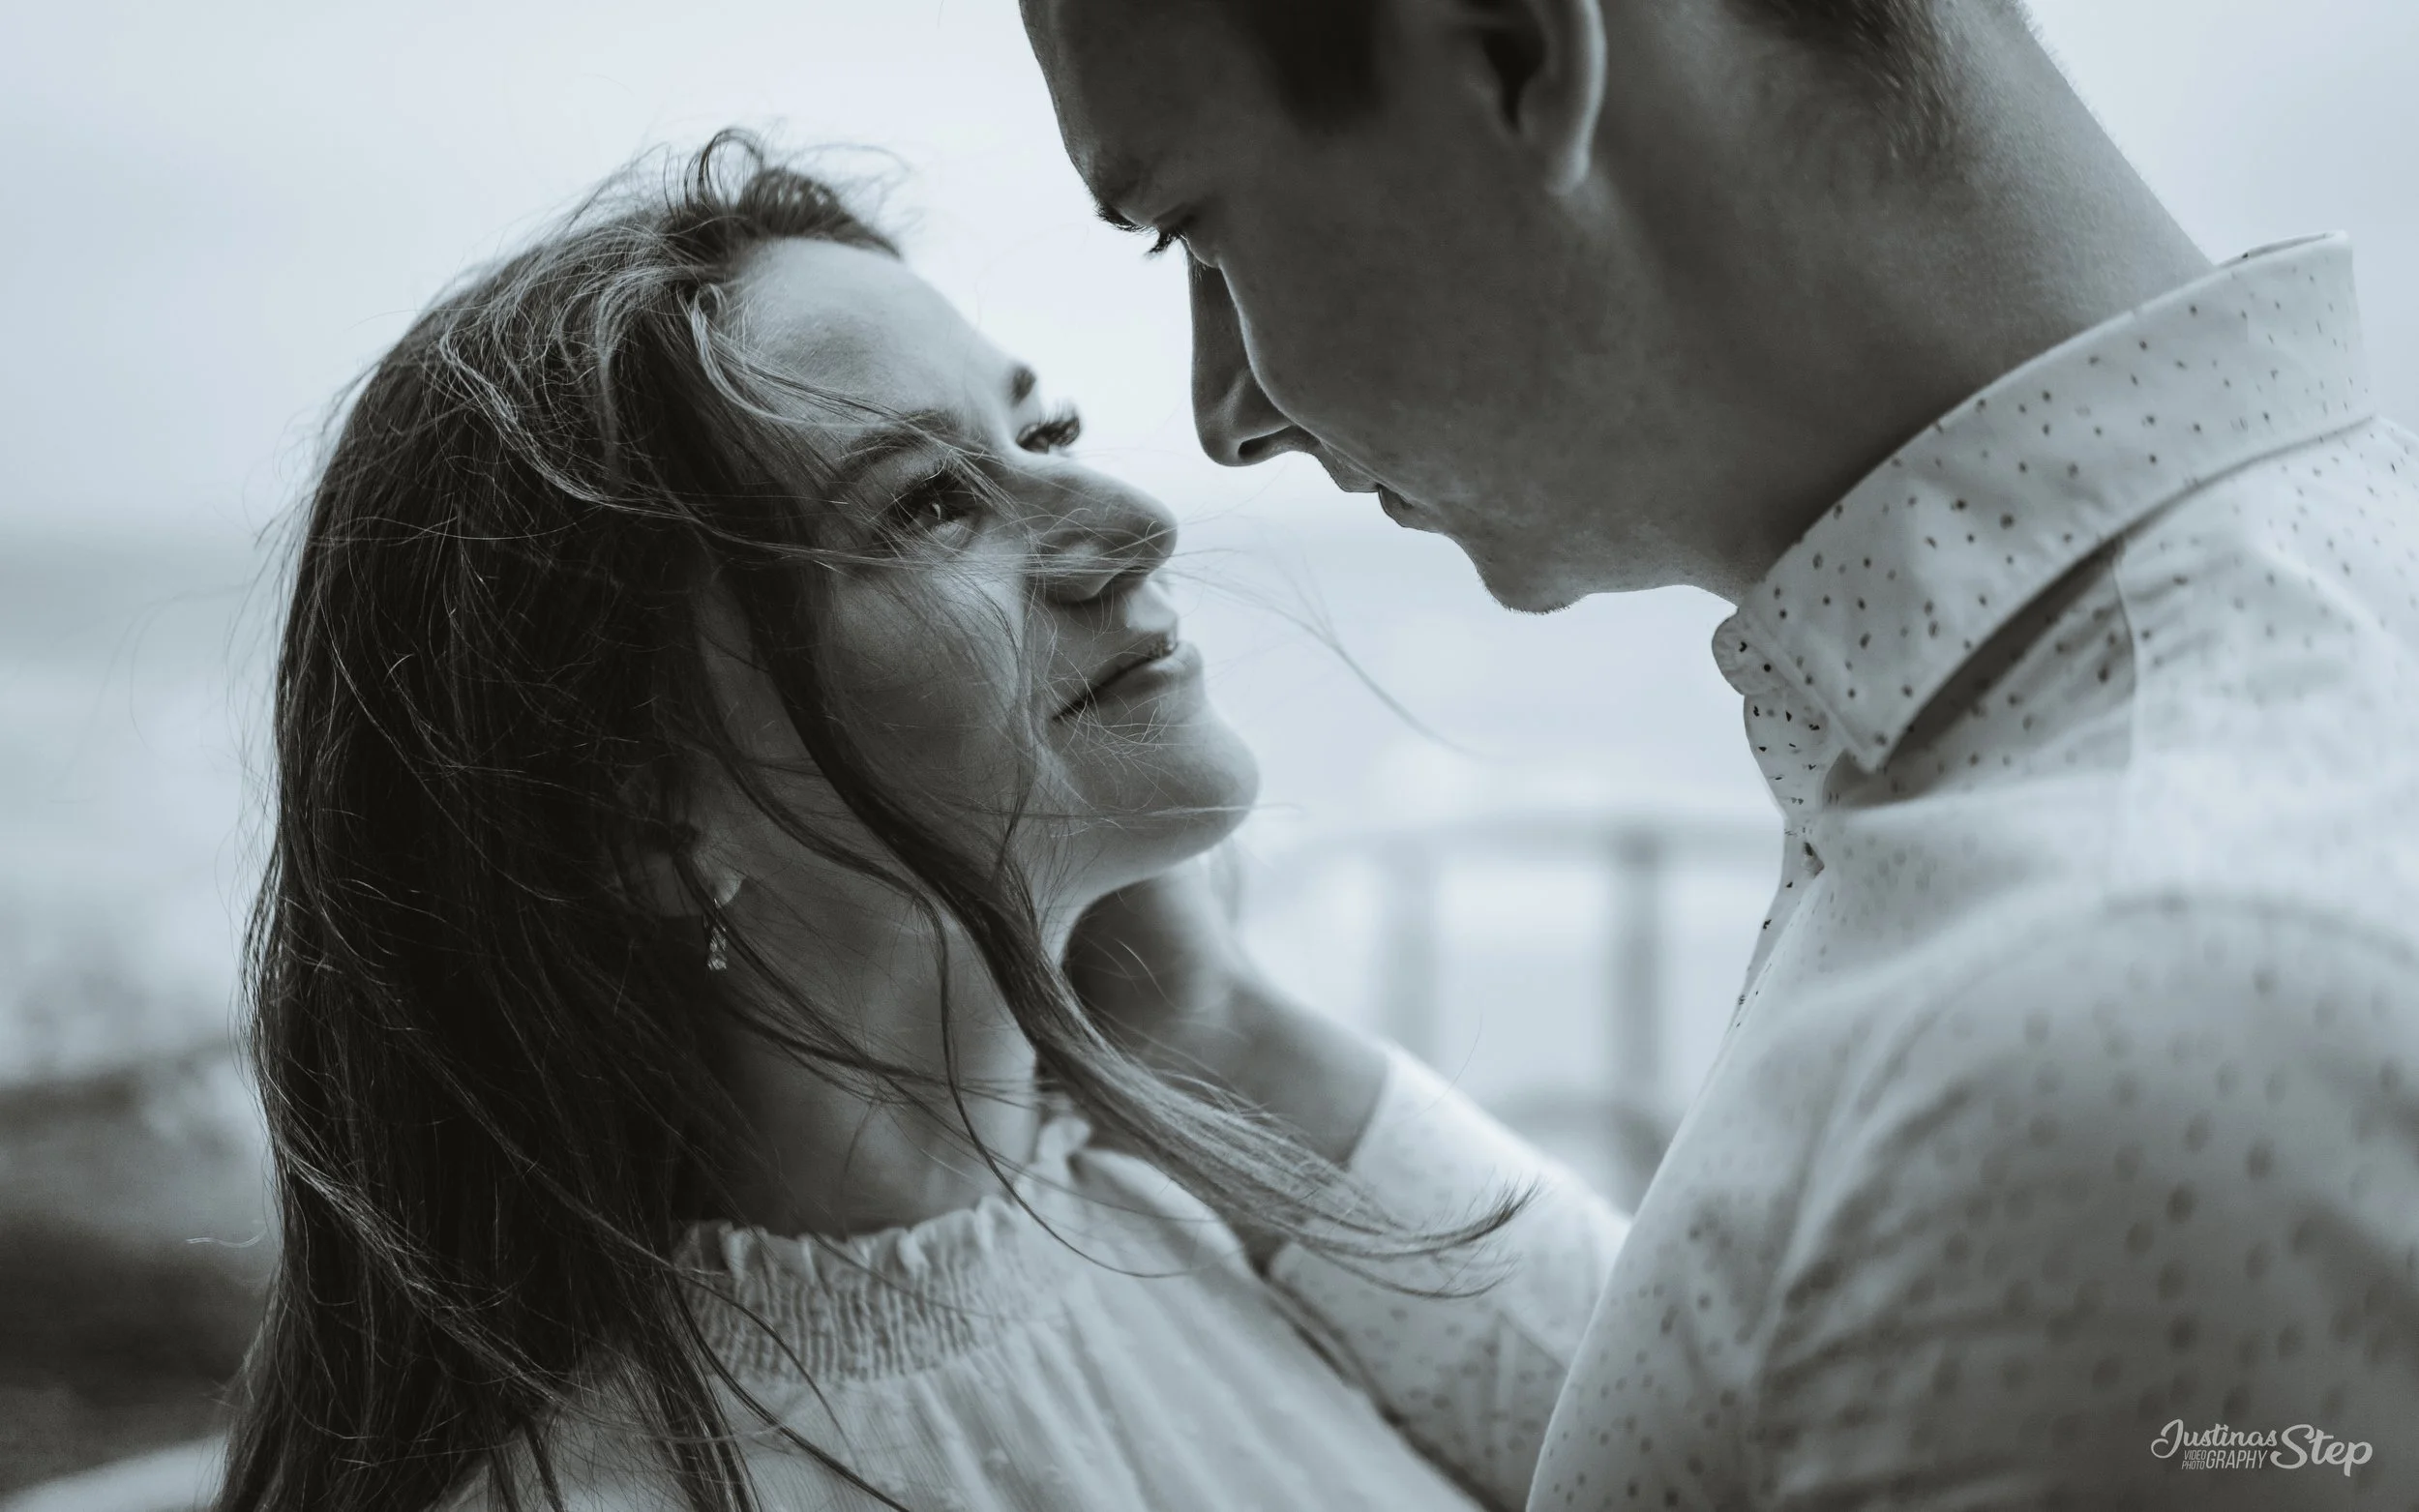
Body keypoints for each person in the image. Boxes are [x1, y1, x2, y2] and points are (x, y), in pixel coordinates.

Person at [1021, 0, 2419, 1505]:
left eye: (1197, 232)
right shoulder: (2238, 652)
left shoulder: (2116, 1022)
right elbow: (1801, 1399)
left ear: (1516, 53)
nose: (1225, 414)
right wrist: (1205, 1026)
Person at [212, 133, 1626, 1512]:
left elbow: (1703, 1447)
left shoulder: (1200, 1223)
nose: (1136, 520)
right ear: (643, 820)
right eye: (934, 502)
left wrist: (1208, 1018)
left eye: (1045, 432)